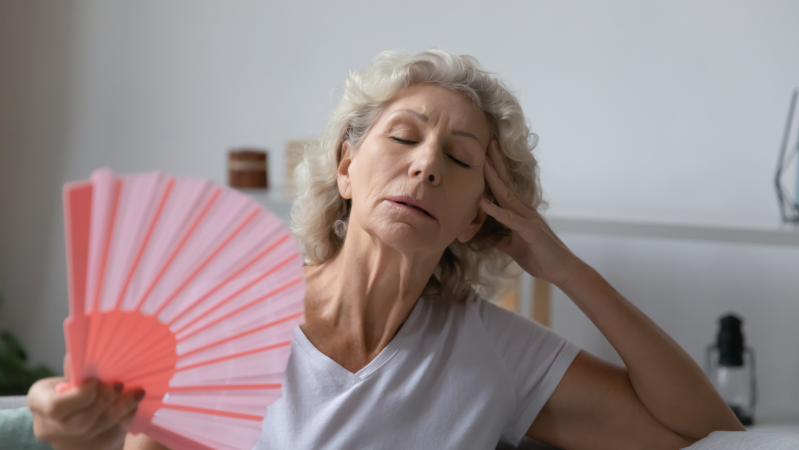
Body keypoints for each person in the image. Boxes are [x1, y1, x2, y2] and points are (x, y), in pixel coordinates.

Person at [27, 49, 744, 450]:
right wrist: (67, 424)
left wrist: (563, 267)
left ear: (475, 218)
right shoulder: (227, 315)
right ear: (346, 168)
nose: (427, 164)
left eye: (460, 160)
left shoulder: (497, 352)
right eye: (403, 137)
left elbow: (703, 427)